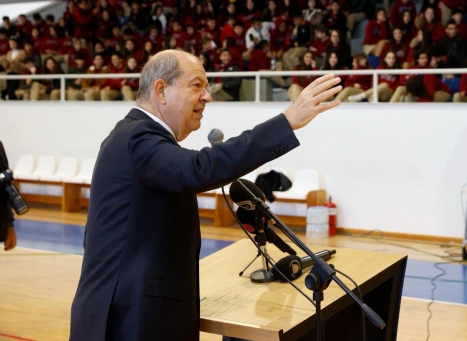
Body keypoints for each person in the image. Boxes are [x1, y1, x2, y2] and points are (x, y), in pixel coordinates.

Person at [70, 50, 341, 341]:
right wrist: (286, 122)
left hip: (131, 311)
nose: (207, 96)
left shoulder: (134, 137)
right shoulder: (138, 138)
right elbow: (198, 168)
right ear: (161, 90)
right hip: (127, 318)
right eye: (196, 85)